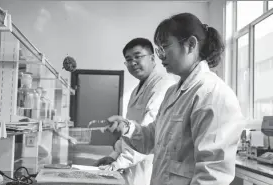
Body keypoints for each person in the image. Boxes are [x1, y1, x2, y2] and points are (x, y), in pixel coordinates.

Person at [105, 13, 245, 185]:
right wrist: (127, 127)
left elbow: (212, 176)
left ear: (190, 45)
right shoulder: (174, 92)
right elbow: (152, 139)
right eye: (159, 49)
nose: (161, 55)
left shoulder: (213, 94)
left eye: (164, 47)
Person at [95, 38, 176, 185]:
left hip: (148, 168)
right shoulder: (135, 91)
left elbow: (148, 136)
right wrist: (113, 156)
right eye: (128, 59)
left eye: (138, 57)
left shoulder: (163, 86)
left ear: (152, 58)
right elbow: (130, 133)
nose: (133, 63)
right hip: (131, 167)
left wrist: (117, 164)